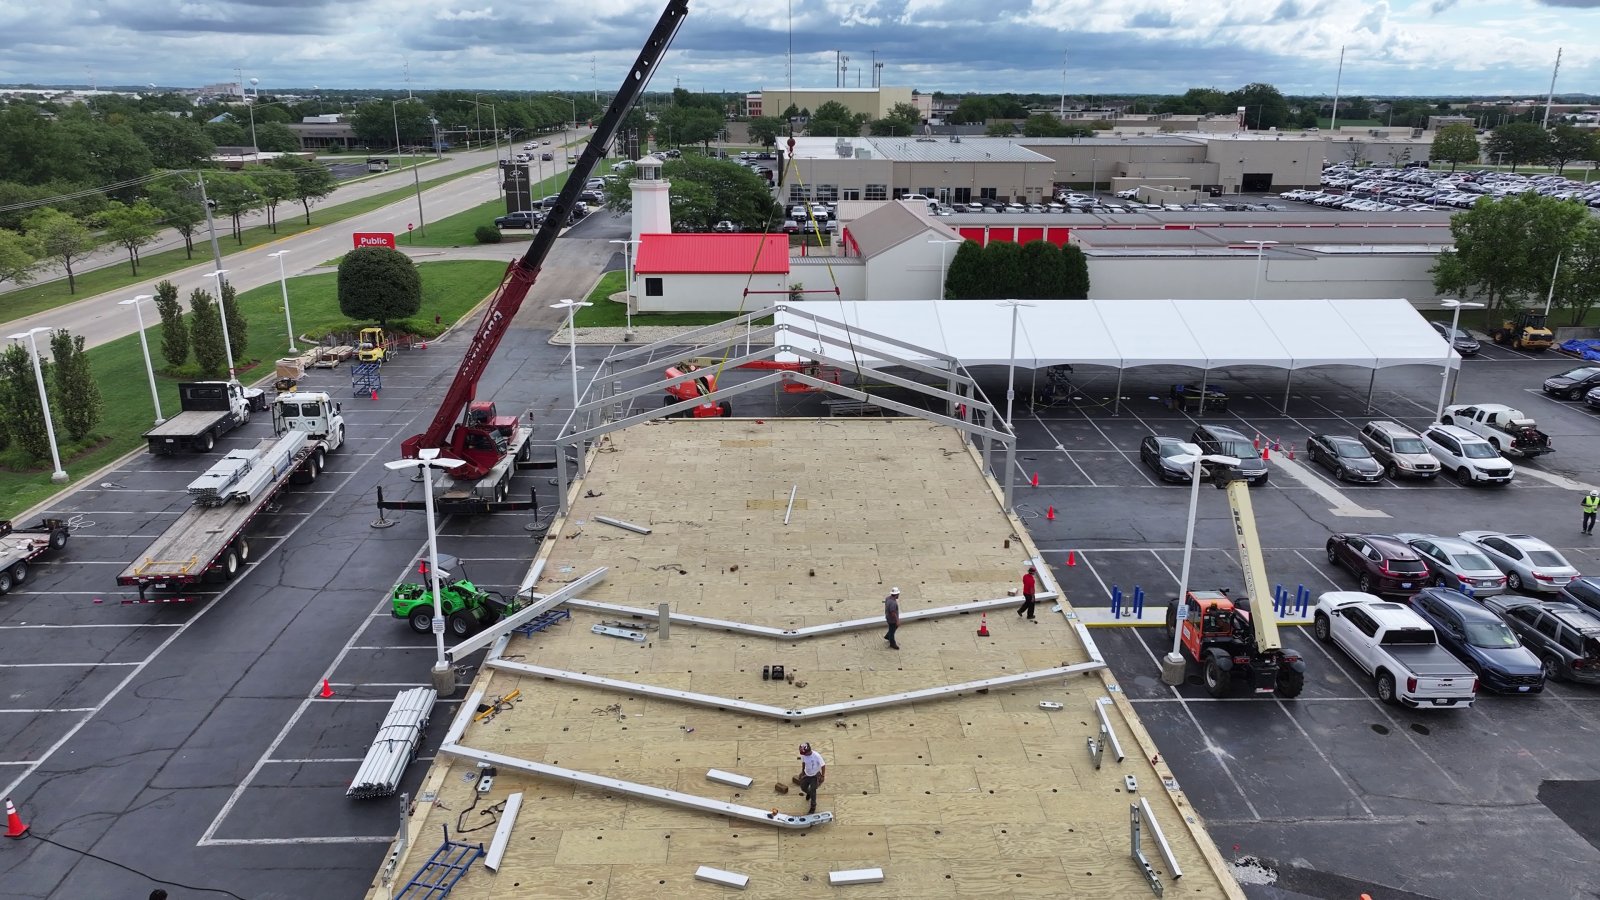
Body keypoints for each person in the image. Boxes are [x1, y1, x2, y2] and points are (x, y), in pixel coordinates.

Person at [797, 742, 826, 815]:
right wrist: (802, 771)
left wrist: (822, 776)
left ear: (808, 751)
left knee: (813, 790)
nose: (802, 754)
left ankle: (813, 806)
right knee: (803, 787)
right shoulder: (804, 755)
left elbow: (823, 765)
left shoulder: (816, 756)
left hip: (815, 776)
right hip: (807, 774)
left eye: (804, 753)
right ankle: (809, 793)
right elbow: (803, 762)